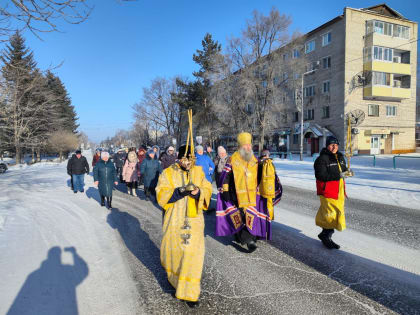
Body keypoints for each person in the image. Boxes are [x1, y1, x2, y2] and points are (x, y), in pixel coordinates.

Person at [156, 145, 212, 307]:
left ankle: (190, 293)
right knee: (174, 254)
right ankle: (175, 281)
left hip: (194, 221)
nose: (188, 162)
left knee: (193, 254)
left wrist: (198, 192)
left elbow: (207, 189)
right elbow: (160, 194)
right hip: (175, 220)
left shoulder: (198, 172)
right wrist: (179, 191)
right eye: (185, 159)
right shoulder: (168, 173)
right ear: (180, 158)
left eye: (191, 159)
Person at [215, 132, 282, 252]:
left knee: (250, 216)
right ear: (240, 146)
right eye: (246, 145)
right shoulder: (232, 159)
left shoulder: (255, 159)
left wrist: (266, 165)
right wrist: (225, 191)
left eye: (250, 145)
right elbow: (226, 176)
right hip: (236, 195)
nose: (249, 148)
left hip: (252, 194)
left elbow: (262, 173)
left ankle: (249, 238)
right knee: (240, 218)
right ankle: (249, 240)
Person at [314, 136, 348, 249]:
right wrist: (339, 175)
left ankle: (325, 234)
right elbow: (320, 175)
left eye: (336, 145)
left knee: (336, 213)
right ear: (327, 145)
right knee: (330, 214)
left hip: (339, 190)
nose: (334, 147)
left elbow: (343, 170)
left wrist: (347, 173)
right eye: (332, 145)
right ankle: (326, 235)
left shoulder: (340, 157)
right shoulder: (322, 159)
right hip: (327, 190)